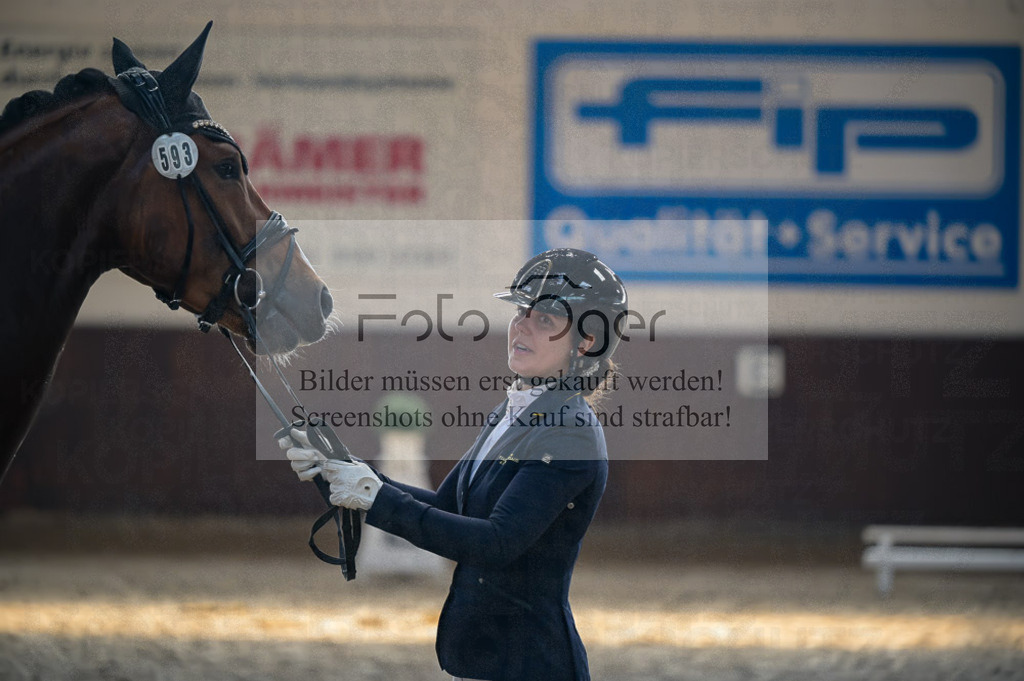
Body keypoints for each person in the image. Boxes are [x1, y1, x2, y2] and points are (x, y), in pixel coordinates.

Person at [282, 248, 628, 681]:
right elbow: (449, 508)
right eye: (523, 311)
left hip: (530, 662)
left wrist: (374, 497)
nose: (521, 326)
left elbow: (495, 543)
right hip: (481, 656)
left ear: (587, 341)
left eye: (545, 321)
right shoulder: (515, 410)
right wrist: (341, 470)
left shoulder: (570, 432)